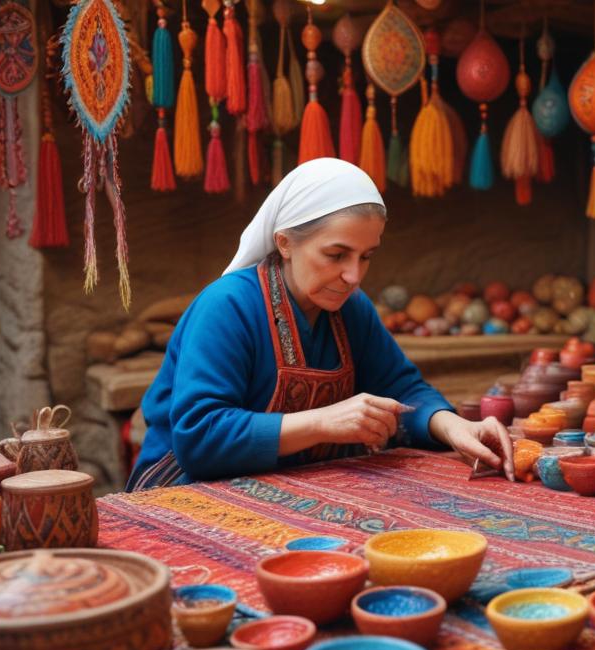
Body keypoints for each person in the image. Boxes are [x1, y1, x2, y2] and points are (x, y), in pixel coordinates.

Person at [128, 159, 514, 489]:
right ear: (285, 243)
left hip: (290, 483)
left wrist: (453, 427)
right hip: (185, 491)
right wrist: (325, 422)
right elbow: (200, 436)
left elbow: (401, 386)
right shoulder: (226, 307)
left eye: (365, 257)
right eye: (336, 254)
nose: (353, 276)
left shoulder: (352, 309)